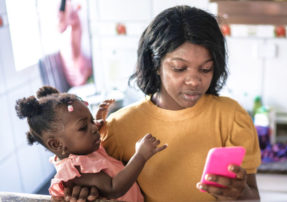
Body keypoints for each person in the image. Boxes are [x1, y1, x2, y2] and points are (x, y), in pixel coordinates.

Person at [64, 5, 261, 201]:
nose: (194, 81)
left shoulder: (231, 116)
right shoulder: (117, 129)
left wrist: (240, 193)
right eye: (179, 68)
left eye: (205, 69)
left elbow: (253, 197)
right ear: (155, 64)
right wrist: (86, 193)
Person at [15, 86, 167, 202]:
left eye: (91, 121)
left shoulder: (82, 149)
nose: (94, 128)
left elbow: (89, 139)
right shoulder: (77, 170)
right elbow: (114, 188)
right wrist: (140, 155)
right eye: (83, 127)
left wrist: (98, 118)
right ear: (56, 144)